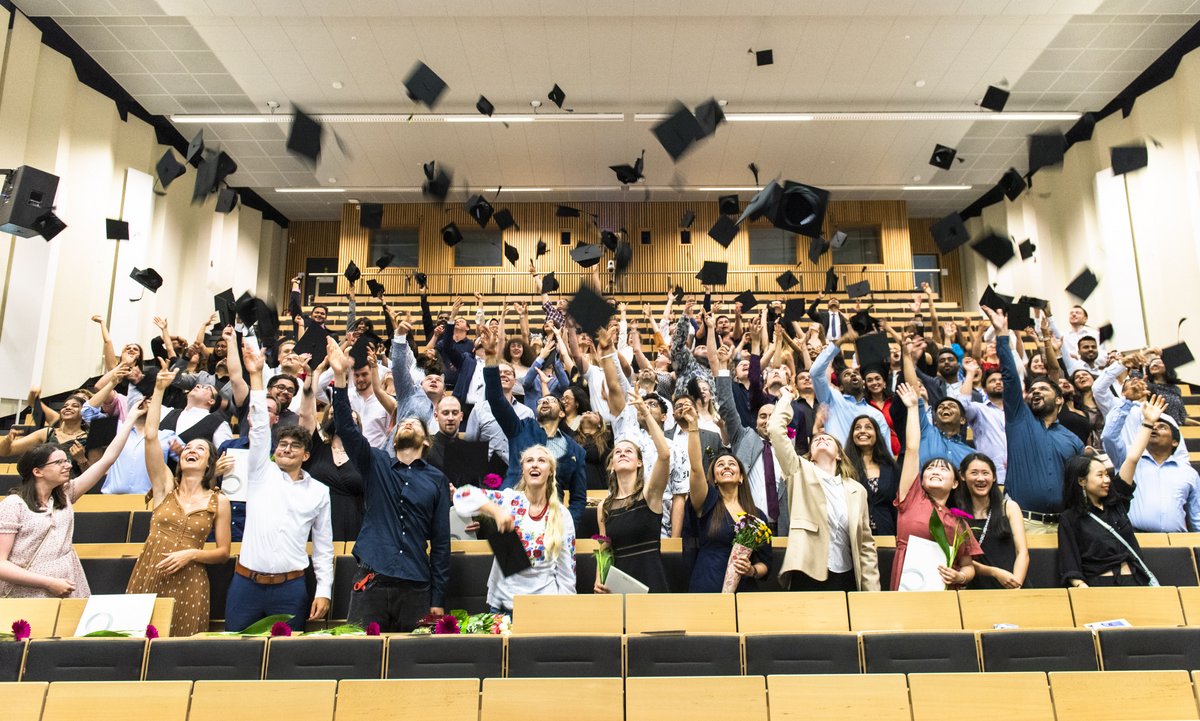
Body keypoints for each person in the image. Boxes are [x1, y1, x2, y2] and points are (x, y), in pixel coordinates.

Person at [327, 338, 451, 632]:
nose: (407, 423)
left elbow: (442, 544)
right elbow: (345, 427)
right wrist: (341, 380)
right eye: (401, 423)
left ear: (425, 439)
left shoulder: (435, 480)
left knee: (414, 665)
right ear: (393, 436)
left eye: (415, 424)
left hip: (416, 583)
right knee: (360, 658)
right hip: (372, 578)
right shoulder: (375, 463)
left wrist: (438, 597)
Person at [226, 342, 333, 634]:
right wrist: (257, 376)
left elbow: (323, 546)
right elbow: (260, 425)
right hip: (245, 584)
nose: (286, 449)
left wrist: (324, 589)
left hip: (291, 586)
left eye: (294, 446)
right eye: (282, 444)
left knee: (281, 662)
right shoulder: (261, 472)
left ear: (306, 455)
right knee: (233, 653)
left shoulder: (319, 492)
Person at [126, 369, 232, 636]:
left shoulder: (219, 500)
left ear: (210, 463)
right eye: (188, 448)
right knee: (136, 642)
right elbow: (151, 437)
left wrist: (192, 554)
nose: (192, 451)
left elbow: (223, 553)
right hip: (151, 569)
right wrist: (159, 389)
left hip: (190, 580)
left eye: (201, 449)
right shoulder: (164, 487)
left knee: (179, 648)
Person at [0, 407, 142, 598]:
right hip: (25, 595)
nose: (68, 465)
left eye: (66, 461)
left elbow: (107, 459)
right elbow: (1, 564)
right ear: (37, 471)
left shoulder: (65, 494)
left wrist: (131, 417)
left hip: (65, 589)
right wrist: (48, 582)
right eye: (58, 462)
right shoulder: (13, 505)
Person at [768, 387, 880, 592]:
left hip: (846, 574)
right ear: (810, 455)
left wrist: (872, 593)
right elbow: (775, 430)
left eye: (828, 439)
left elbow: (865, 546)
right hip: (807, 571)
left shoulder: (857, 490)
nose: (822, 438)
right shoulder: (799, 472)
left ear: (838, 454)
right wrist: (786, 398)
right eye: (817, 439)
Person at [985, 305, 1084, 534]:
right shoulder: (1019, 421)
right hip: (1023, 525)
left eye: (1043, 389)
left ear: (1059, 400)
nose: (1036, 392)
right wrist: (1002, 335)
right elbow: (1010, 376)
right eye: (1033, 390)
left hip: (1063, 526)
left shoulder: (1072, 439)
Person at [480, 325, 588, 524]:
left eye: (551, 400)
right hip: (511, 513)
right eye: (540, 402)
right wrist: (490, 356)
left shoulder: (576, 451)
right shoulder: (520, 428)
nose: (544, 401)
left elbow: (579, 499)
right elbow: (496, 399)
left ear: (563, 412)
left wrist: (567, 524)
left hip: (552, 521)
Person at [1058, 397, 1168, 588]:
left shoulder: (1115, 501)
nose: (1107, 480)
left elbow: (1132, 458)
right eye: (1100, 475)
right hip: (1101, 586)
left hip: (1136, 581)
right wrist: (1082, 588)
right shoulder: (1071, 517)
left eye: (1107, 475)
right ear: (1082, 481)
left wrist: (1148, 422)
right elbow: (1071, 563)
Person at [452, 445, 576, 613]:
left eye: (541, 460)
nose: (534, 465)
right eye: (529, 461)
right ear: (523, 470)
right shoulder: (510, 500)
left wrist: (565, 612)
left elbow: (567, 571)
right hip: (505, 605)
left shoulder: (562, 514)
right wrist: (496, 511)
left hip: (544, 607)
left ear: (550, 471)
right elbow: (461, 496)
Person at [891, 382, 982, 591]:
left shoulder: (959, 522)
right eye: (930, 468)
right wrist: (914, 407)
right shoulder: (911, 498)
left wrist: (959, 576)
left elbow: (968, 567)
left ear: (956, 483)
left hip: (943, 594)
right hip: (907, 587)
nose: (935, 471)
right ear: (921, 480)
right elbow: (913, 449)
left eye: (943, 469)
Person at [683, 404, 773, 593]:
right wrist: (693, 426)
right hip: (707, 584)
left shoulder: (757, 516)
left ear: (741, 476)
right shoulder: (705, 503)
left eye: (732, 464)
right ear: (714, 478)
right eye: (720, 465)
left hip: (745, 592)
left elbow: (765, 562)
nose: (726, 467)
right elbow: (696, 468)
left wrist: (751, 570)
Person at [595, 393, 671, 593]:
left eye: (629, 451)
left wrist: (646, 414)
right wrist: (598, 579)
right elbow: (604, 548)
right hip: (618, 584)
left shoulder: (649, 494)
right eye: (618, 452)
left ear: (639, 463)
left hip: (651, 577)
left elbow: (664, 455)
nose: (622, 453)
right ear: (611, 465)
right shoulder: (604, 506)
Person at [954, 453, 1028, 590]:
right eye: (974, 473)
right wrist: (995, 572)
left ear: (994, 477)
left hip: (1013, 584)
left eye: (985, 473)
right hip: (975, 588)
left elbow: (1022, 551)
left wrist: (1016, 583)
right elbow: (959, 560)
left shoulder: (1009, 507)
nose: (980, 478)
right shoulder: (956, 513)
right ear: (962, 476)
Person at [811, 338, 892, 453]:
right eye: (847, 374)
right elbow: (815, 373)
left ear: (863, 383)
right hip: (836, 465)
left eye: (856, 373)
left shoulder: (876, 415)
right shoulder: (831, 399)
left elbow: (885, 450)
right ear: (841, 387)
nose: (853, 375)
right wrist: (837, 344)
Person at [843, 414, 899, 536]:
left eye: (868, 427)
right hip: (853, 532)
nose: (862, 431)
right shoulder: (844, 467)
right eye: (857, 428)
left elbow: (896, 504)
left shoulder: (890, 467)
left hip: (886, 530)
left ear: (877, 434)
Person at [957, 357, 1008, 484]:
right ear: (984, 389)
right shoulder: (979, 409)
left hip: (1018, 472)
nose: (998, 382)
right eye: (992, 381)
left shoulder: (1017, 411)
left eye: (1001, 380)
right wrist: (969, 373)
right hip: (989, 476)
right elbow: (961, 406)